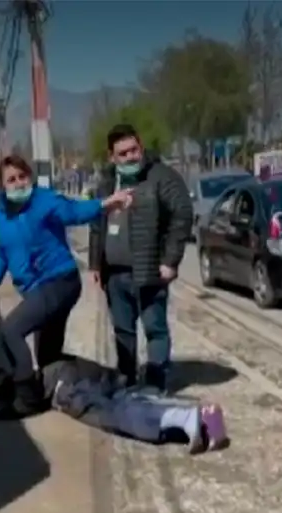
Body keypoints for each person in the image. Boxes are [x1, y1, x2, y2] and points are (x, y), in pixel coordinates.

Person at [0, 154, 132, 421]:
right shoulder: (1, 215)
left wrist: (105, 204)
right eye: (11, 179)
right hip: (36, 290)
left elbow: (74, 212)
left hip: (59, 282)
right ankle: (110, 379)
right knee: (48, 359)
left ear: (29, 177)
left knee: (11, 330)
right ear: (2, 185)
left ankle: (27, 399)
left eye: (22, 177)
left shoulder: (44, 200)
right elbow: (2, 252)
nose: (18, 184)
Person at [88, 124, 194, 391]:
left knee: (154, 329)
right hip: (114, 275)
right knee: (123, 331)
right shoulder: (106, 184)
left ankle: (155, 384)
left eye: (133, 150)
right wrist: (94, 263)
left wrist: (170, 261)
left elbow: (182, 216)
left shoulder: (162, 177)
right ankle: (127, 379)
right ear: (112, 157)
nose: (130, 157)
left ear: (141, 147)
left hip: (149, 272)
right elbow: (96, 225)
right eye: (122, 153)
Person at [0, 357, 230, 454]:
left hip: (72, 388)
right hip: (87, 376)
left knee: (119, 417)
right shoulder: (31, 366)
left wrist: (9, 411)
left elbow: (24, 405)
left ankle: (189, 418)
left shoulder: (21, 384)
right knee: (127, 399)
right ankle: (201, 418)